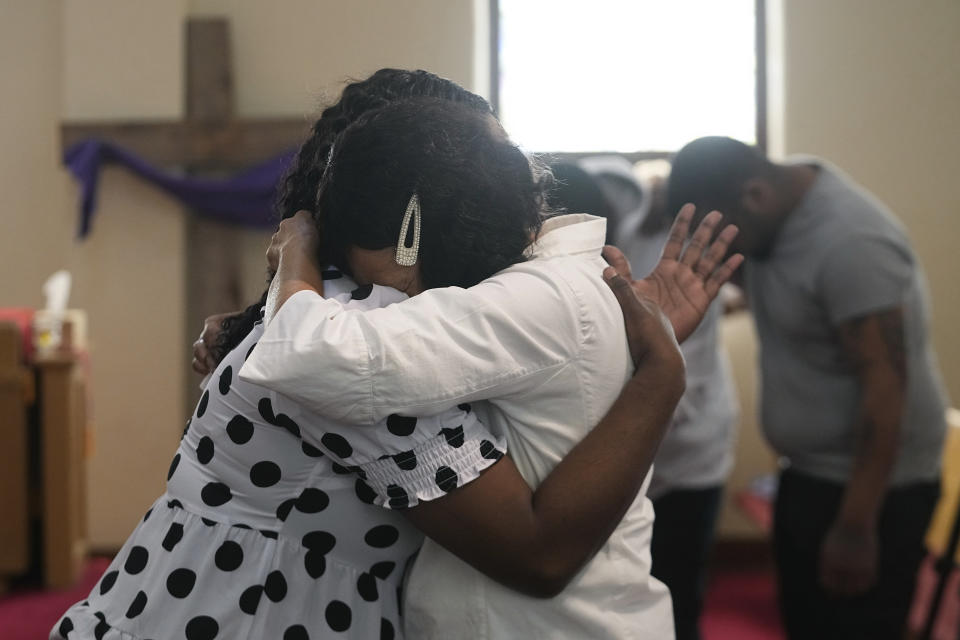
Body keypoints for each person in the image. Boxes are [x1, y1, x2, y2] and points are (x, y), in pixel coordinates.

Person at [52, 75, 739, 640]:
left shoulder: (339, 307)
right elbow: (538, 551)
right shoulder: (355, 336)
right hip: (250, 615)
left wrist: (611, 340)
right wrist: (657, 375)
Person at [238, 98, 742, 637]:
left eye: (385, 279)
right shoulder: (562, 280)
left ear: (412, 233)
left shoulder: (529, 296)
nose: (386, 299)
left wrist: (297, 252)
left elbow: (309, 355)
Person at [665, 136, 948, 639]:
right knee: (809, 623)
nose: (725, 251)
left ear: (754, 197)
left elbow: (886, 390)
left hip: (873, 493)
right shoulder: (775, 206)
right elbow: (787, 296)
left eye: (726, 237)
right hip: (810, 475)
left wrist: (857, 527)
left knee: (855, 628)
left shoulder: (852, 242)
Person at [574, 156, 740, 640]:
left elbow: (685, 358)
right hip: (615, 451)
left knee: (678, 590)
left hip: (689, 450)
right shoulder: (580, 261)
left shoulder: (673, 249)